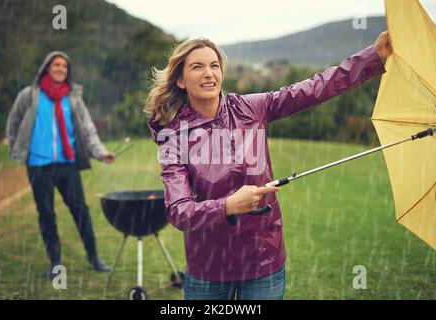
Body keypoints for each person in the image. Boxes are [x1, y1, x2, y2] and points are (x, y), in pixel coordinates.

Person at [145, 32, 392, 300]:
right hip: (209, 270)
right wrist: (228, 206)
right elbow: (179, 211)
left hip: (264, 261)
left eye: (214, 65)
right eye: (197, 66)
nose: (209, 73)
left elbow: (314, 88)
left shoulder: (251, 108)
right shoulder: (173, 135)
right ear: (180, 80)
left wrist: (371, 57)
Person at [6, 51, 115, 279]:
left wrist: (100, 152)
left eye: (64, 66)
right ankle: (55, 263)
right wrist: (17, 150)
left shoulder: (73, 98)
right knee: (46, 214)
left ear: (68, 71)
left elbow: (87, 129)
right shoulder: (29, 95)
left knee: (81, 211)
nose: (60, 69)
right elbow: (13, 123)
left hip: (68, 164)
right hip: (38, 165)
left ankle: (94, 257)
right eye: (56, 65)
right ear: (47, 67)